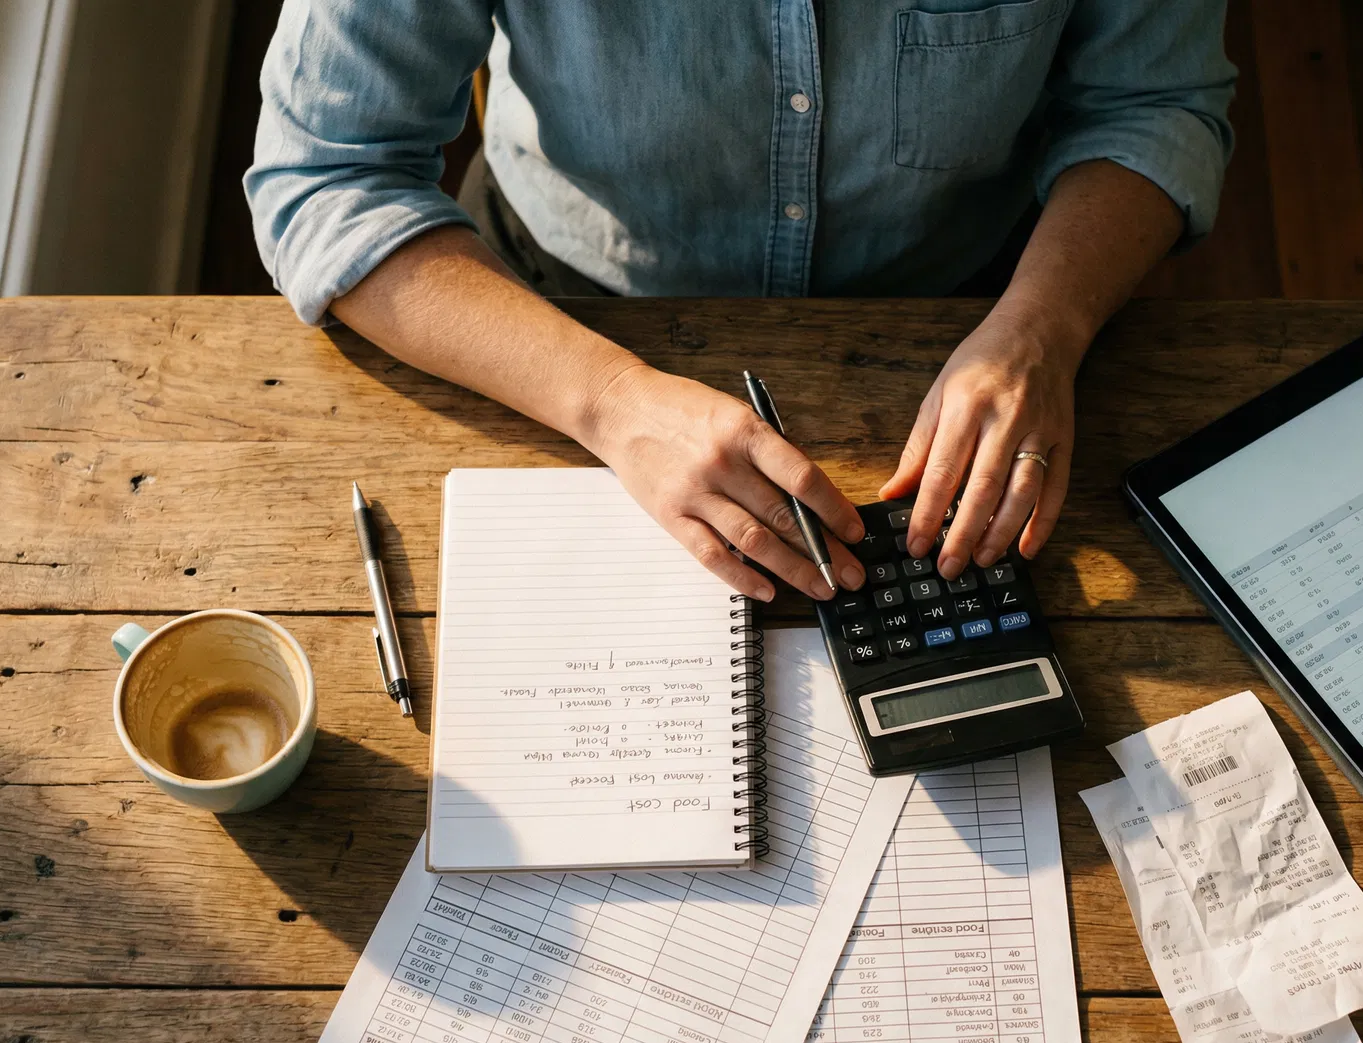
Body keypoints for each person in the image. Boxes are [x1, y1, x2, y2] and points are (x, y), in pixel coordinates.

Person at [248, 1, 1234, 601]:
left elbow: (1154, 102)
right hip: (553, 316)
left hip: (976, 309)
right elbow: (325, 176)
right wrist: (613, 401)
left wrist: (1045, 325)